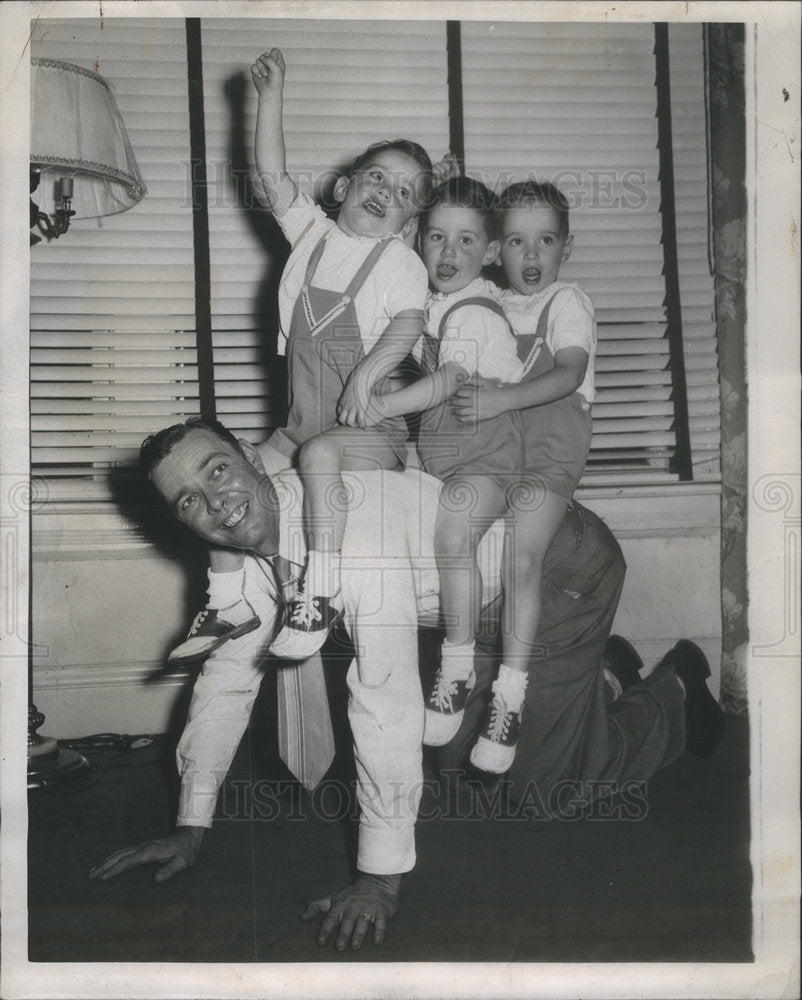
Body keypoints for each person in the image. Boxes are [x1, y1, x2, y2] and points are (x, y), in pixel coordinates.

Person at [89, 418, 725, 953]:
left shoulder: (349, 533)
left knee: (543, 792)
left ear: (253, 459)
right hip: (470, 605)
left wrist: (378, 880)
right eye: (189, 499)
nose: (215, 502)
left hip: (555, 570)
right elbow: (227, 678)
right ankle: (599, 675)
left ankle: (676, 696)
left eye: (217, 470)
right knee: (451, 758)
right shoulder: (247, 550)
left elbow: (383, 705)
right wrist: (190, 823)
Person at [168, 47, 433, 669]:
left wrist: (373, 366)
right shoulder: (313, 235)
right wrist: (270, 95)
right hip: (299, 424)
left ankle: (321, 591)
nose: (383, 192)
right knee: (229, 470)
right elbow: (270, 174)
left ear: (407, 219)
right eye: (375, 177)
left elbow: (410, 322)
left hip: (370, 431)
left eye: (402, 193)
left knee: (320, 455)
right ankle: (227, 599)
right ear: (345, 185)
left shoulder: (400, 264)